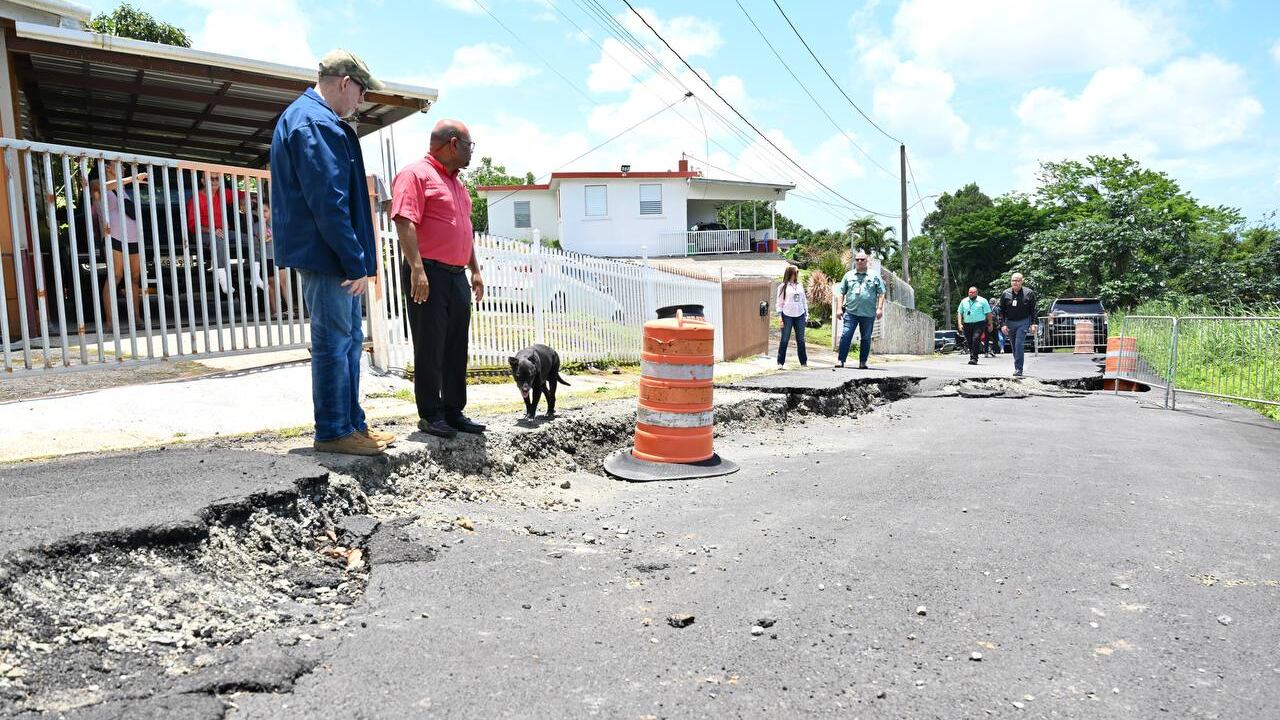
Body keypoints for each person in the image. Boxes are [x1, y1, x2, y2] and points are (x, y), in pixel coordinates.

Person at [271, 49, 395, 456]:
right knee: (334, 341)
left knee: (348, 340)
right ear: (345, 82)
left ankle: (351, 424)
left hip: (329, 255)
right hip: (328, 257)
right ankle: (334, 431)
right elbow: (329, 201)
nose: (361, 101)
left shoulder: (315, 119)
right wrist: (354, 260)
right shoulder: (314, 123)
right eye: (361, 92)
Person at [390, 119, 487, 439]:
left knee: (457, 346)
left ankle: (453, 411)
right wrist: (417, 269)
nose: (471, 152)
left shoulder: (459, 185)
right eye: (470, 145)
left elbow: (465, 231)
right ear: (453, 143)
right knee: (430, 345)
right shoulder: (415, 174)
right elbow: (405, 221)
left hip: (456, 274)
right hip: (427, 272)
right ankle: (431, 414)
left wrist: (475, 269)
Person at [89, 163, 143, 330]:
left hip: (133, 238)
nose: (124, 168)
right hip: (113, 238)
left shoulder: (124, 190)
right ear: (107, 167)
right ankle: (110, 322)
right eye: (119, 165)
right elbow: (104, 187)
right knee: (116, 275)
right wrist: (133, 179)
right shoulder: (97, 184)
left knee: (134, 277)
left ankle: (137, 318)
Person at [834, 250, 885, 369]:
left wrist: (880, 309)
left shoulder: (874, 275)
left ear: (867, 261)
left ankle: (863, 361)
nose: (860, 261)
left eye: (862, 259)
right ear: (855, 261)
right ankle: (841, 360)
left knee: (866, 338)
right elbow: (840, 292)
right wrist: (838, 308)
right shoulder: (848, 275)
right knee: (846, 335)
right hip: (851, 312)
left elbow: (881, 293)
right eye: (857, 259)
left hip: (868, 314)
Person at [998, 272, 1039, 377]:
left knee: (1019, 344)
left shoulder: (1029, 293)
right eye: (1013, 280)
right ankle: (1018, 365)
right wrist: (1002, 324)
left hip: (1023, 322)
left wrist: (1033, 323)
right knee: (1014, 346)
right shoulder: (1005, 293)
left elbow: (1034, 309)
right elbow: (1001, 311)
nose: (1015, 282)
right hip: (1010, 322)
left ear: (1022, 281)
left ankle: (1018, 369)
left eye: (1017, 280)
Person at [776, 265, 807, 367]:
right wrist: (780, 317)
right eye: (795, 272)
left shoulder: (800, 285)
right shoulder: (782, 287)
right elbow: (779, 303)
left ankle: (803, 362)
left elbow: (804, 301)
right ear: (790, 273)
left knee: (801, 339)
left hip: (800, 315)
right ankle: (780, 362)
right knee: (785, 339)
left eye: (797, 272)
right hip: (787, 315)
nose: (796, 275)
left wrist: (806, 313)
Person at [956, 286, 992, 366]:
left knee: (975, 339)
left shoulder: (983, 301)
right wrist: (959, 323)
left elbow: (988, 313)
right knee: (969, 341)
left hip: (979, 323)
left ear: (976, 293)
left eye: (973, 292)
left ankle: (974, 358)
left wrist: (990, 324)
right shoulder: (964, 301)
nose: (971, 294)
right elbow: (959, 312)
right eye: (970, 292)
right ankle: (972, 356)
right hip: (967, 324)